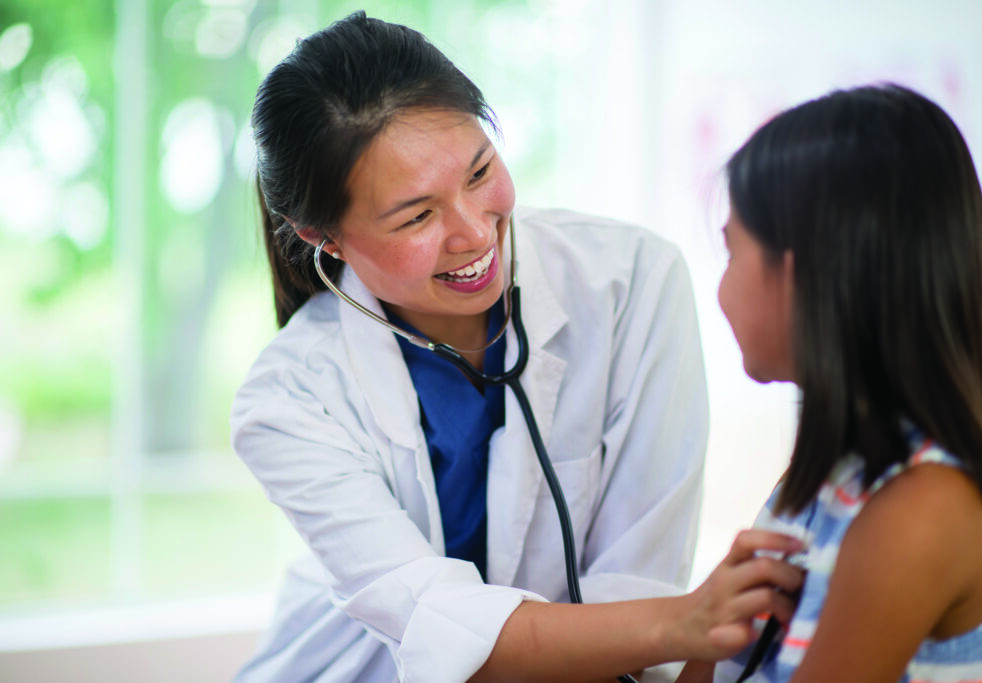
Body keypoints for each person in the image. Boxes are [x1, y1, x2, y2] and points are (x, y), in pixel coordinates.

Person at [232, 11, 803, 683]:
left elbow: (636, 583)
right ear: (325, 238)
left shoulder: (632, 283)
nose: (474, 233)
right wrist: (688, 621)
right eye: (417, 215)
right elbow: (441, 633)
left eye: (479, 173)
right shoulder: (288, 398)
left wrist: (682, 623)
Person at [679, 84, 982, 683]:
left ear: (800, 274)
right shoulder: (826, 486)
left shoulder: (924, 511)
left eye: (731, 252)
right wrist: (708, 629)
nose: (722, 288)